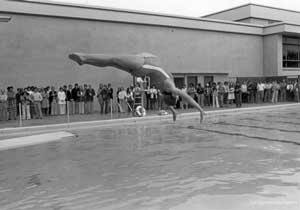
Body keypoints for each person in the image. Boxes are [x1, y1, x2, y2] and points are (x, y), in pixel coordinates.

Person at [69, 52, 204, 122]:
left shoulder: (170, 87)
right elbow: (174, 100)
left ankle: (84, 57)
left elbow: (187, 98)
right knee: (111, 62)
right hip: (137, 70)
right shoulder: (166, 90)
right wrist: (173, 111)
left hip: (141, 64)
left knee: (113, 58)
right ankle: (84, 60)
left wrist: (200, 110)